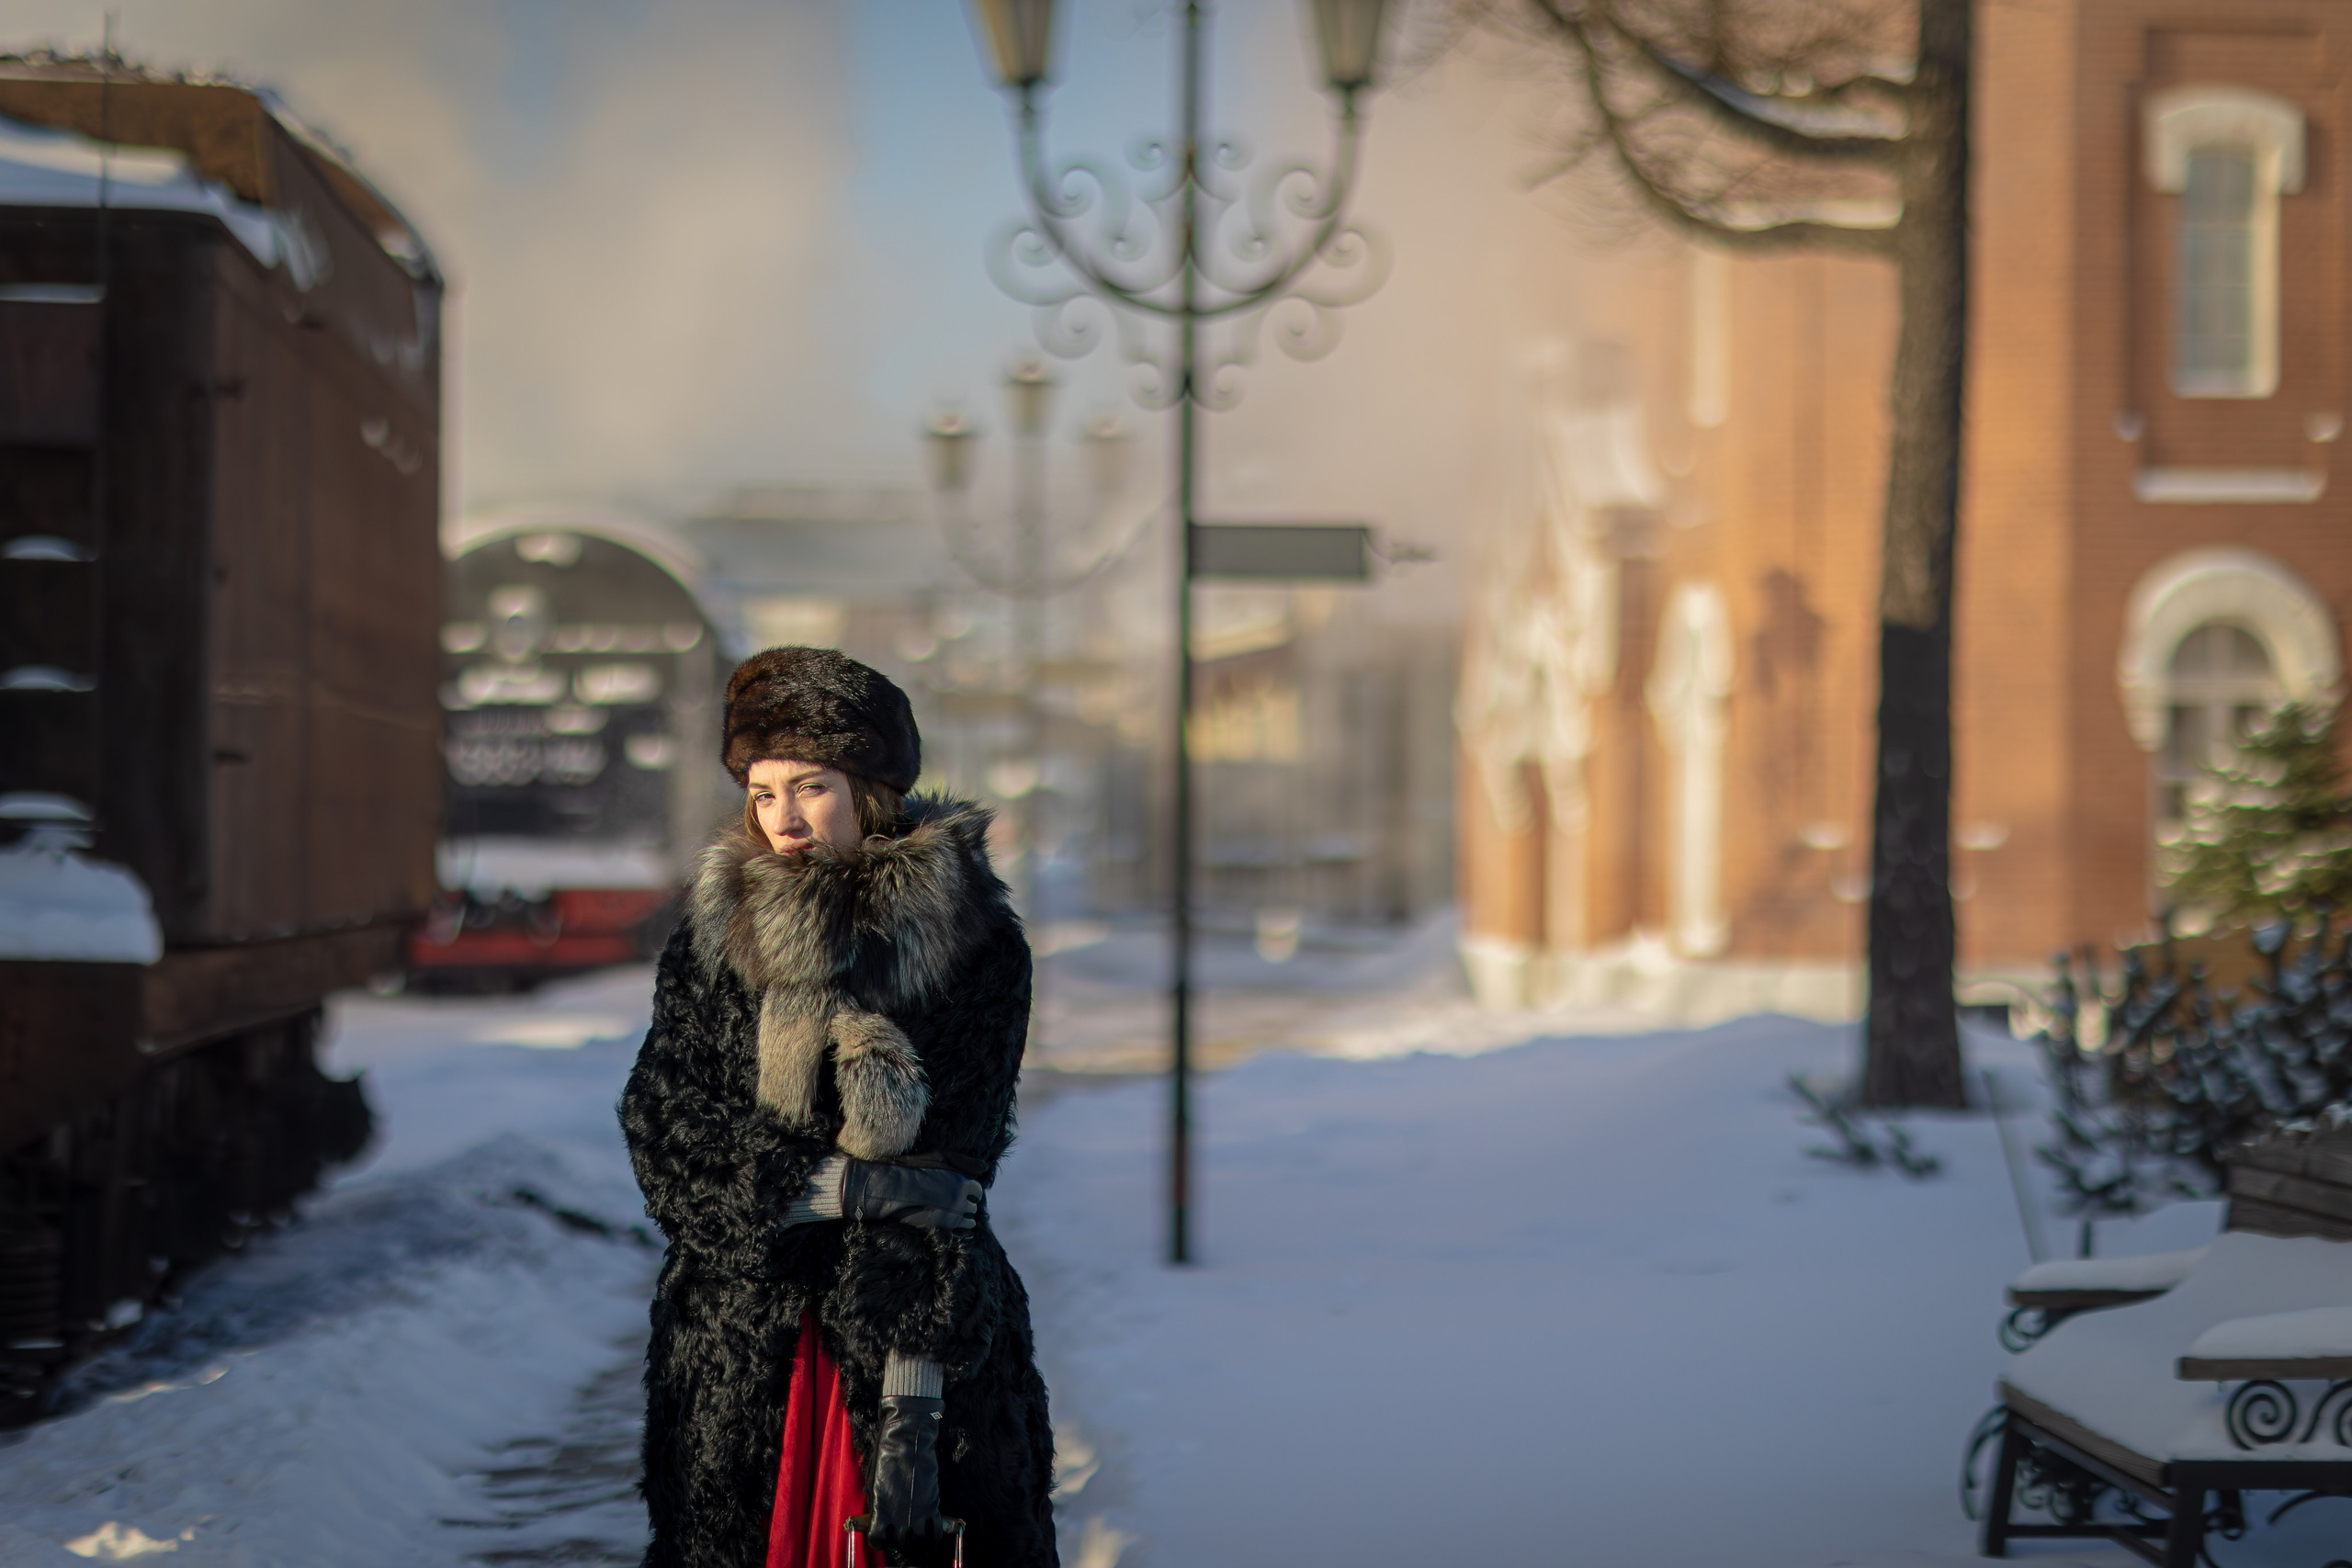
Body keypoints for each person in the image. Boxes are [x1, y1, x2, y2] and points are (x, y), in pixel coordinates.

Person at [621, 646, 1057, 1568]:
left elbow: (945, 1179)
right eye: (764, 790)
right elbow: (666, 1134)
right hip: (740, 1353)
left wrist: (910, 1412)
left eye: (811, 786)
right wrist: (828, 1189)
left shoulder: (972, 948)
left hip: (915, 1347)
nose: (783, 817)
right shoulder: (708, 944)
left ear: (872, 788)